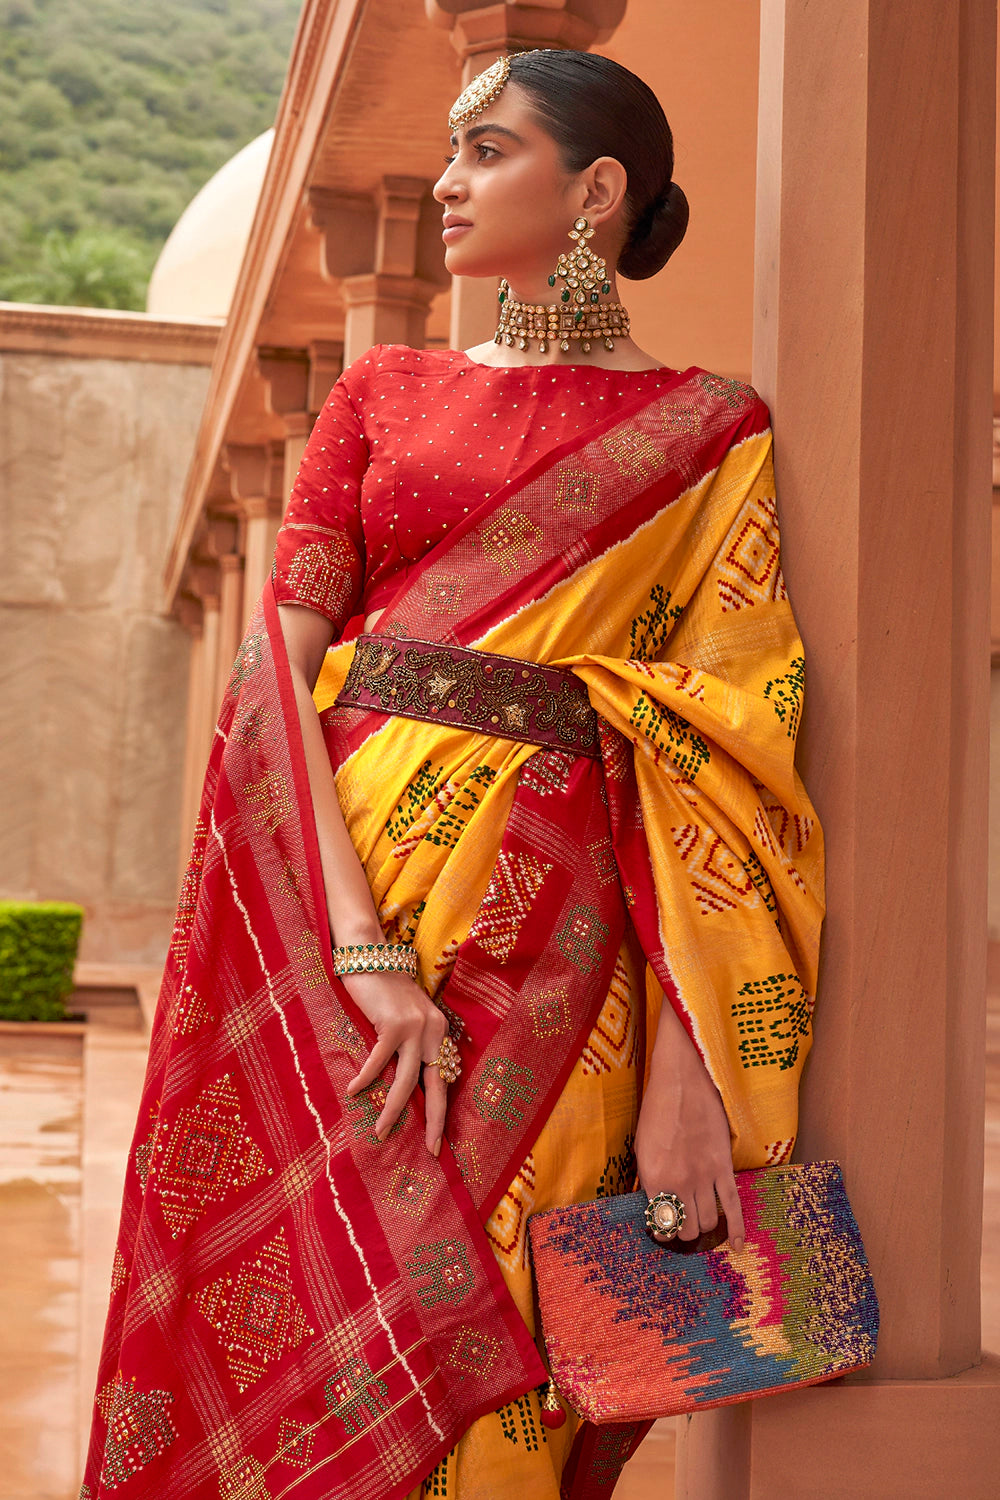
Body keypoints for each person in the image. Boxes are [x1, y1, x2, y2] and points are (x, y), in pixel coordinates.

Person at [80, 48, 824, 1500]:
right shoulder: (385, 391)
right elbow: (270, 680)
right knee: (314, 1294)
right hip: (339, 911)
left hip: (563, 957)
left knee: (512, 1342)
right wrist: (359, 955)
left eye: (488, 149)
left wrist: (692, 1068)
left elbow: (727, 751)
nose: (448, 180)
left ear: (594, 192)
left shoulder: (710, 430)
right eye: (450, 151)